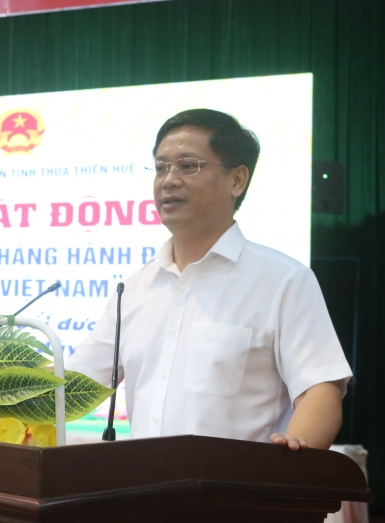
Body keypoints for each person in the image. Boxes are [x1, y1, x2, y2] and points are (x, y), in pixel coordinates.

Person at [65, 109, 352, 450]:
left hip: (239, 495)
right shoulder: (135, 288)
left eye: (188, 166)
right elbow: (73, 387)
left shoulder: (284, 280)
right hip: (143, 496)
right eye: (160, 167)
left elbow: (321, 388)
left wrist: (289, 460)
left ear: (236, 180)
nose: (168, 180)